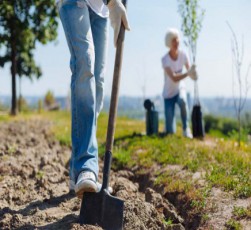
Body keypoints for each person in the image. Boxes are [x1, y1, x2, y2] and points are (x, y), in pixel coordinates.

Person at [56, 0, 130, 197]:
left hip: (101, 10)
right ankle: (86, 166)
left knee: (98, 83)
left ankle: (76, 172)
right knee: (85, 64)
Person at [161, 28, 197, 138]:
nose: (176, 42)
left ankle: (186, 129)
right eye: (173, 41)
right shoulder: (165, 59)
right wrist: (188, 73)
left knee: (183, 101)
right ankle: (168, 126)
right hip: (168, 94)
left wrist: (193, 73)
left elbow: (190, 69)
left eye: (177, 40)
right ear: (169, 43)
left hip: (179, 89)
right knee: (170, 132)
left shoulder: (183, 54)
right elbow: (174, 78)